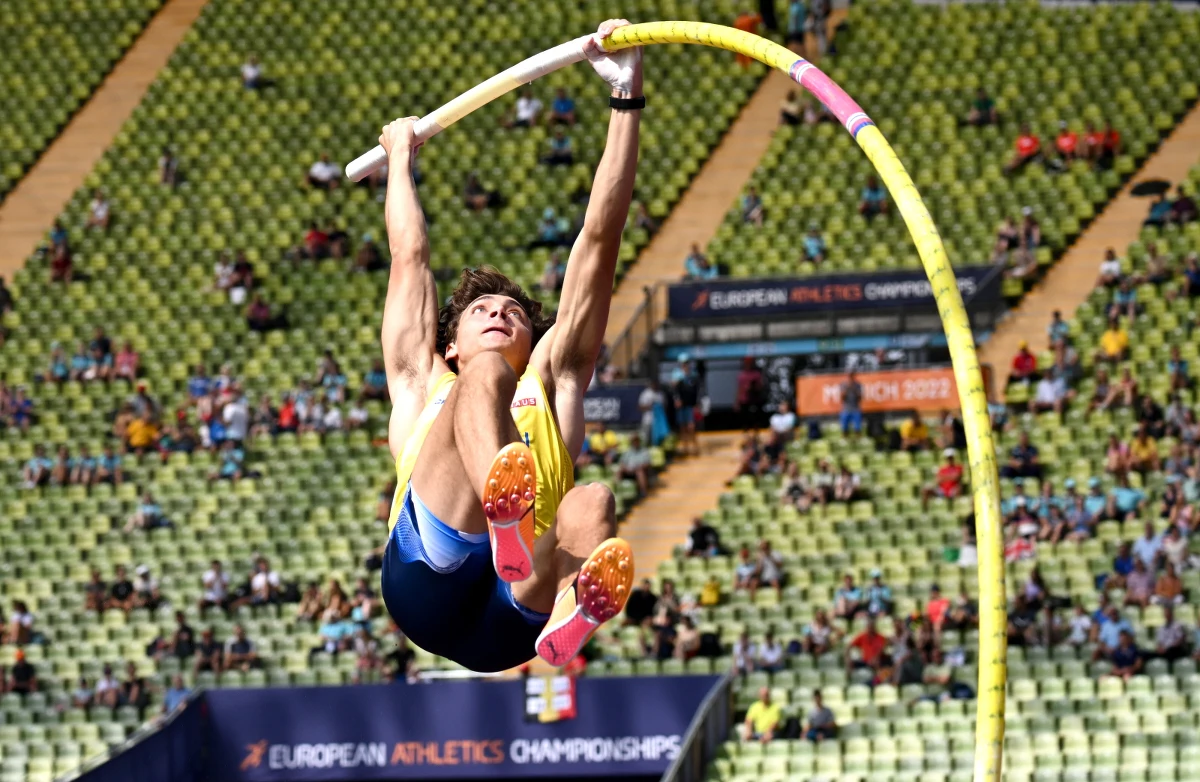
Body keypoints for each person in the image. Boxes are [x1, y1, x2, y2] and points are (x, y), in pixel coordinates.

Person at [374, 21, 643, 672]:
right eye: (482, 312)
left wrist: (626, 98)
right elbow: (410, 257)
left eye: (514, 313)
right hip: (428, 577)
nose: (499, 313)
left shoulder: (554, 380)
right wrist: (399, 159)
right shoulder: (424, 381)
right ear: (450, 345)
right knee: (486, 380)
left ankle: (571, 609)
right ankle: (504, 525)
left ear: (533, 338)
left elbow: (599, 240)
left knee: (595, 502)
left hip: (513, 617)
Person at [839, 370, 863, 435]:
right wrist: (847, 388)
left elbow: (860, 398)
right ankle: (845, 438)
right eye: (849, 375)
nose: (850, 377)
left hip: (855, 408)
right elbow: (842, 398)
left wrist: (854, 389)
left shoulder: (858, 385)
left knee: (857, 428)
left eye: (852, 375)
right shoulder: (843, 384)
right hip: (846, 409)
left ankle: (858, 437)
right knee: (844, 428)